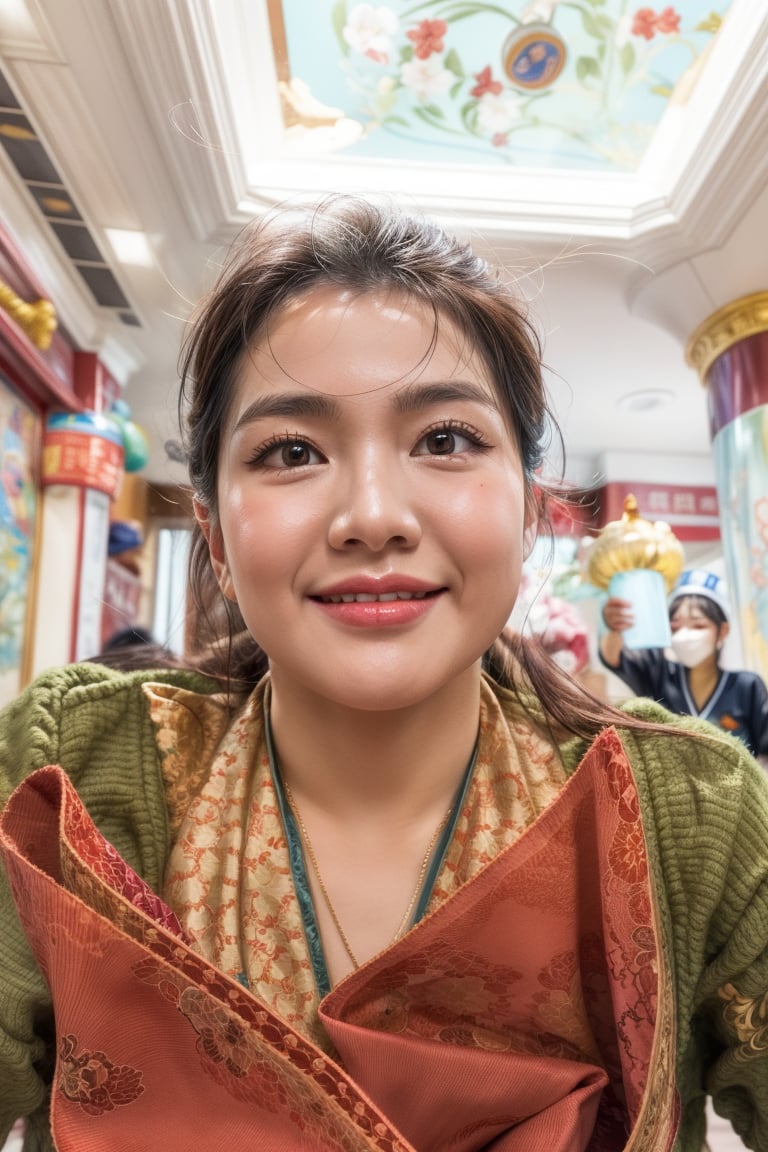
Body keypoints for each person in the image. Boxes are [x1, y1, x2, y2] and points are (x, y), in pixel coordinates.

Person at [0, 196, 767, 1152]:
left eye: (445, 439)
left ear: (531, 512)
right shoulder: (71, 775)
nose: (373, 514)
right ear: (215, 534)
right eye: (291, 452)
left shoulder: (695, 813)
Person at [599, 567, 768, 757]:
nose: (684, 635)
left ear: (723, 630)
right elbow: (613, 658)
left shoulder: (746, 686)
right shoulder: (660, 674)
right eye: (676, 626)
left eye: (698, 625)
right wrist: (612, 627)